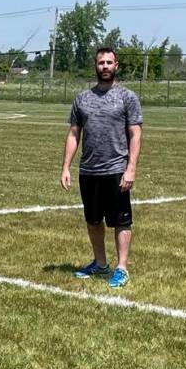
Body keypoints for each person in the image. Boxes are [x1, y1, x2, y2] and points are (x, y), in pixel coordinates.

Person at [60, 47, 143, 288]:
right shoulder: (82, 99)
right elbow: (74, 134)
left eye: (109, 62)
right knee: (93, 220)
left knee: (121, 221)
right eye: (100, 63)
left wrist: (131, 168)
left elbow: (135, 134)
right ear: (95, 66)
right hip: (89, 170)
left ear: (116, 66)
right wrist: (66, 166)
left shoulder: (127, 97)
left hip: (117, 168)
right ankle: (100, 263)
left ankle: (122, 268)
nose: (105, 66)